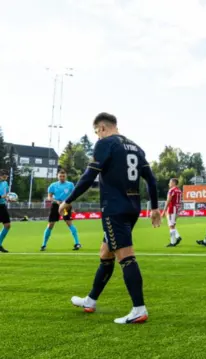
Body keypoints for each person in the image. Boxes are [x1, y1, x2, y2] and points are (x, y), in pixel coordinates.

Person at [60, 112, 161, 324]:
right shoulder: (136, 147)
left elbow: (89, 176)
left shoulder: (106, 144)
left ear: (103, 128)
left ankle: (139, 309)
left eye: (97, 132)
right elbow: (151, 180)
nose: (97, 136)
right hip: (132, 208)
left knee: (125, 256)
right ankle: (90, 300)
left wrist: (69, 200)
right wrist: (153, 208)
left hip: (114, 209)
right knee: (106, 252)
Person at [41, 169, 82, 251]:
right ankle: (43, 245)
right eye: (60, 176)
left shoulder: (70, 185)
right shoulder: (53, 185)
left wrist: (69, 204)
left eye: (63, 176)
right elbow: (49, 197)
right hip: (56, 205)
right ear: (57, 176)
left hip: (65, 206)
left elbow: (73, 195)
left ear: (66, 176)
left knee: (69, 223)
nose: (62, 178)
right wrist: (56, 201)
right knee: (50, 224)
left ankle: (77, 243)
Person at [163, 178, 183, 247]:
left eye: (170, 182)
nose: (169, 184)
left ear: (174, 183)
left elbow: (168, 201)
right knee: (172, 224)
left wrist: (164, 210)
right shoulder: (179, 190)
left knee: (171, 225)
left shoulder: (172, 190)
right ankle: (177, 237)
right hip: (177, 209)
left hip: (172, 208)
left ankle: (172, 242)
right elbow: (180, 201)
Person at [0, 170, 13, 253]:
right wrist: (1, 196)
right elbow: (2, 195)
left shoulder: (5, 183)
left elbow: (6, 194)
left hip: (2, 206)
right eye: (4, 176)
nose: (6, 178)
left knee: (7, 225)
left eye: (6, 176)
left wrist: (9, 198)